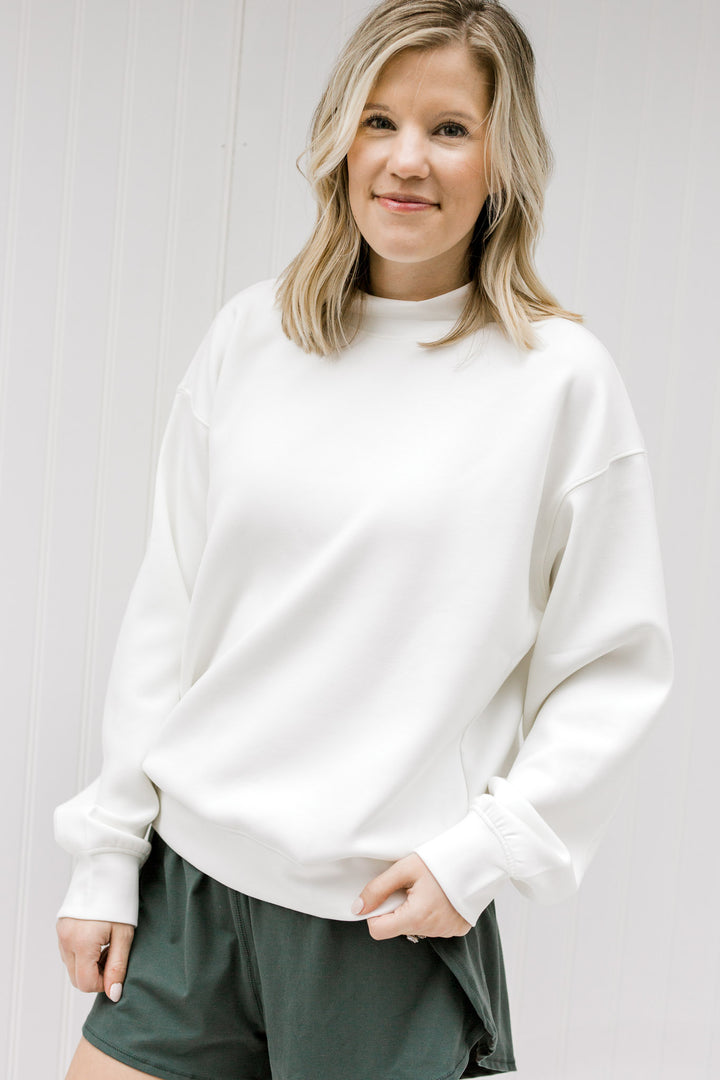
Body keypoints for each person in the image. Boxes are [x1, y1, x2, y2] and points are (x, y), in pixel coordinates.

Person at [55, 1, 674, 1078]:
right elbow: (170, 612)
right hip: (191, 892)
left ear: (504, 158)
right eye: (379, 119)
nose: (405, 160)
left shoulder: (558, 383)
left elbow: (614, 668)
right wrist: (108, 859)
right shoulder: (254, 337)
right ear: (341, 136)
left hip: (382, 919)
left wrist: (482, 853)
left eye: (449, 128)